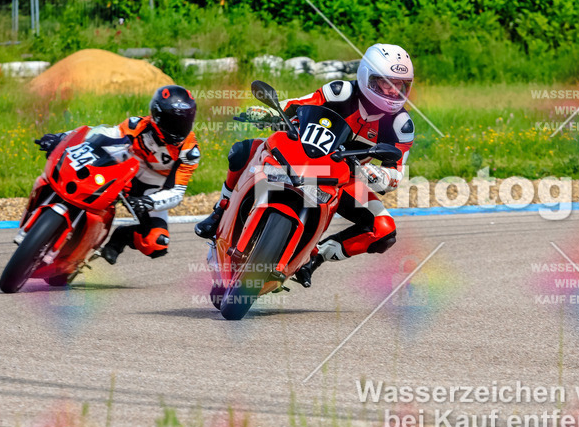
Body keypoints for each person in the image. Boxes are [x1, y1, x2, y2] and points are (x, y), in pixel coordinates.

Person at [194, 43, 415, 287]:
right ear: (367, 77)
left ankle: (314, 258)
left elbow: (397, 173)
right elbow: (298, 104)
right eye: (386, 83)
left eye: (400, 84)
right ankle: (219, 209)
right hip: (302, 155)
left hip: (345, 178)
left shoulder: (401, 126)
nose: (393, 91)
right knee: (245, 150)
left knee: (384, 230)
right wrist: (270, 114)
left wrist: (378, 175)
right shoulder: (340, 91)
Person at [35, 85, 200, 264]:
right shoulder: (137, 126)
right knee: (79, 179)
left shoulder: (189, 151)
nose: (180, 127)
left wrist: (149, 202)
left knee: (157, 243)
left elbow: (176, 192)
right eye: (173, 121)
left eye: (185, 120)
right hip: (121, 173)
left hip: (152, 191)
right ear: (157, 116)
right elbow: (99, 133)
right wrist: (61, 137)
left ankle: (119, 238)